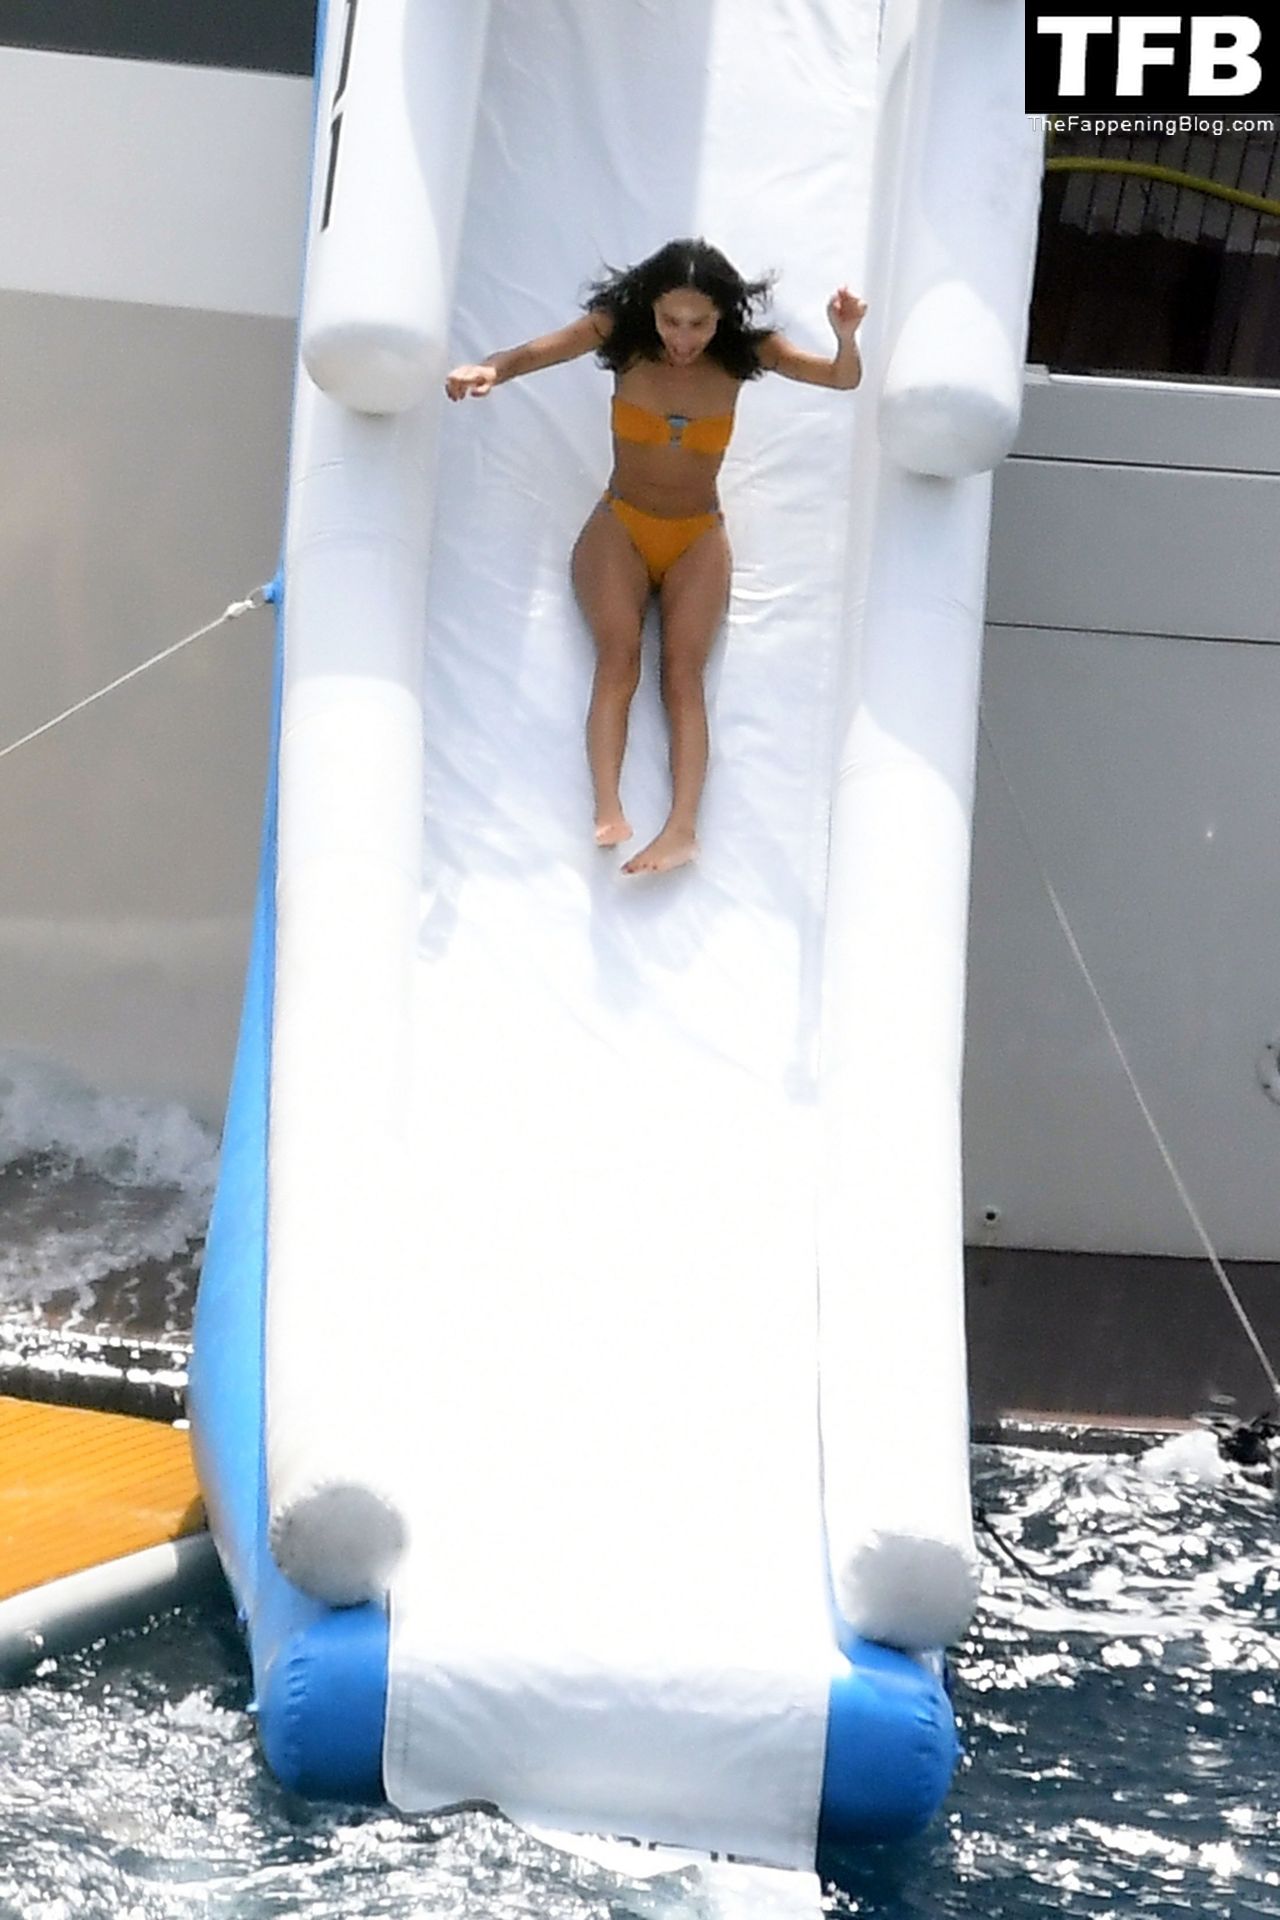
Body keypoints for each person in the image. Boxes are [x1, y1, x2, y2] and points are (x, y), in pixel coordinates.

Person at [446, 238, 867, 874]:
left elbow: (841, 378)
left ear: (723, 317)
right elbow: (536, 352)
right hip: (622, 523)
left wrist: (846, 336)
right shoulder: (622, 337)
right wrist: (490, 371)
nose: (683, 338)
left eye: (699, 324)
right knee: (618, 656)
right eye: (671, 321)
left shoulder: (750, 353)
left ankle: (681, 828)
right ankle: (608, 807)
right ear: (651, 309)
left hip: (696, 533)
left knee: (682, 674)